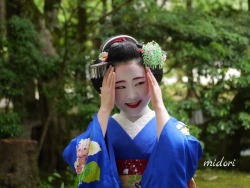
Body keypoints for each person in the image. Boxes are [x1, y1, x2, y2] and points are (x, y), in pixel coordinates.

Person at [63, 35, 202, 188]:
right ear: (107, 89)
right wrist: (104, 109)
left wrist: (159, 107)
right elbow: (82, 161)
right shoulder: (101, 129)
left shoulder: (171, 128)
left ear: (153, 80)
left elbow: (180, 155)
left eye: (140, 83)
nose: (131, 95)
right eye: (120, 86)